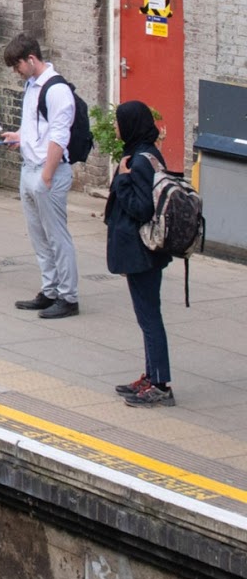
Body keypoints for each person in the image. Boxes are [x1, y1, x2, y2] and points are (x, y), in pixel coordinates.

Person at [0, 35, 80, 319]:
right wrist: (20, 138)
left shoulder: (57, 90)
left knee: (57, 236)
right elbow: (38, 128)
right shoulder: (31, 86)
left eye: (17, 65)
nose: (16, 71)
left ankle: (68, 297)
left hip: (49, 171)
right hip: (30, 168)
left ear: (31, 59)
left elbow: (60, 135)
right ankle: (50, 290)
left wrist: (46, 175)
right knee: (38, 235)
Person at [106, 101, 175, 407]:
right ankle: (151, 376)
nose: (115, 128)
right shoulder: (144, 152)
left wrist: (121, 179)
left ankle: (160, 384)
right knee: (146, 316)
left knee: (149, 317)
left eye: (118, 122)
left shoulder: (140, 160)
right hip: (144, 252)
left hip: (143, 252)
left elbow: (142, 208)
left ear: (130, 124)